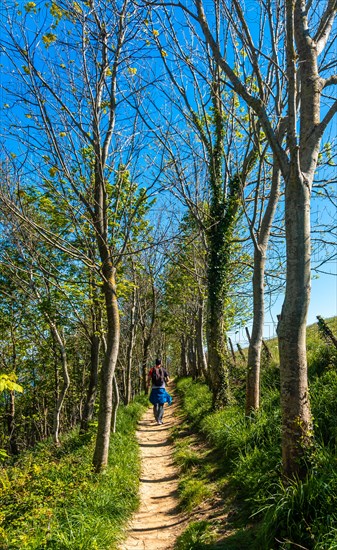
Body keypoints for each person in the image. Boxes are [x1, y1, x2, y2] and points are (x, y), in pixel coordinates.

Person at [148, 358, 172, 424]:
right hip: (162, 389)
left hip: (154, 389)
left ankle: (156, 418)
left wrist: (148, 384)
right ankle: (160, 419)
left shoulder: (152, 369)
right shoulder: (163, 370)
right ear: (160, 363)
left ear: (155, 363)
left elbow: (149, 378)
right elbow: (168, 379)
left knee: (155, 404)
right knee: (161, 404)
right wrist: (166, 381)